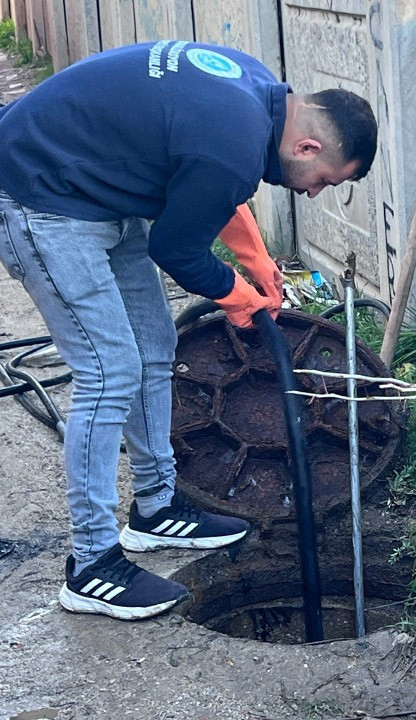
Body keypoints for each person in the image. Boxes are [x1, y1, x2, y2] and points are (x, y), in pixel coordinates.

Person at [0, 41, 378, 620]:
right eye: (322, 179)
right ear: (307, 146)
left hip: (96, 194)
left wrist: (256, 263)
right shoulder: (235, 139)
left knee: (154, 347)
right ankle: (92, 565)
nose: (311, 192)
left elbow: (217, 184)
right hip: (39, 195)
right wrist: (234, 295)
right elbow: (175, 247)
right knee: (108, 371)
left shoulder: (257, 95)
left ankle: (155, 508)